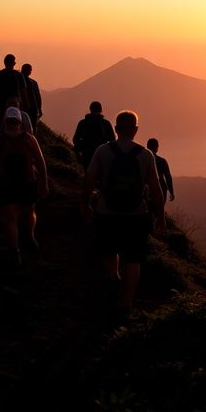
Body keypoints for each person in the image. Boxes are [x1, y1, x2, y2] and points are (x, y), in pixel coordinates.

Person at [81, 110, 164, 318]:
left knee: (109, 251)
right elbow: (155, 189)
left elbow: (89, 179)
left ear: (116, 129)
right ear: (136, 130)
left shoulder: (102, 151)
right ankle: (126, 305)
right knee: (133, 260)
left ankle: (113, 277)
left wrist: (85, 205)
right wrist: (160, 216)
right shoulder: (145, 155)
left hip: (106, 212)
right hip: (137, 216)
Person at [0, 107, 48, 266]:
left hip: (6, 183)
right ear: (20, 121)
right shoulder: (29, 139)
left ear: (5, 121)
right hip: (28, 181)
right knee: (30, 212)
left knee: (11, 219)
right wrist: (44, 182)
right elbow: (40, 162)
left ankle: (15, 253)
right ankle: (30, 236)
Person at [72, 101, 115, 169]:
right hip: (101, 155)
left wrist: (78, 153)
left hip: (86, 155)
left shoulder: (82, 123)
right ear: (101, 110)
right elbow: (112, 141)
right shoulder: (106, 124)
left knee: (88, 174)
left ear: (90, 109)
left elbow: (75, 139)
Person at [0, 54, 29, 127]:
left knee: (0, 122)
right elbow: (23, 91)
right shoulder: (18, 75)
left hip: (0, 103)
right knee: (14, 123)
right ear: (13, 63)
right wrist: (26, 104)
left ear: (4, 62)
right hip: (14, 103)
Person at [146, 138, 175, 203]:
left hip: (147, 189)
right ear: (157, 147)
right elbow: (168, 177)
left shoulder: (143, 160)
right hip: (160, 188)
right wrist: (171, 192)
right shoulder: (162, 161)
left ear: (147, 146)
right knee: (159, 209)